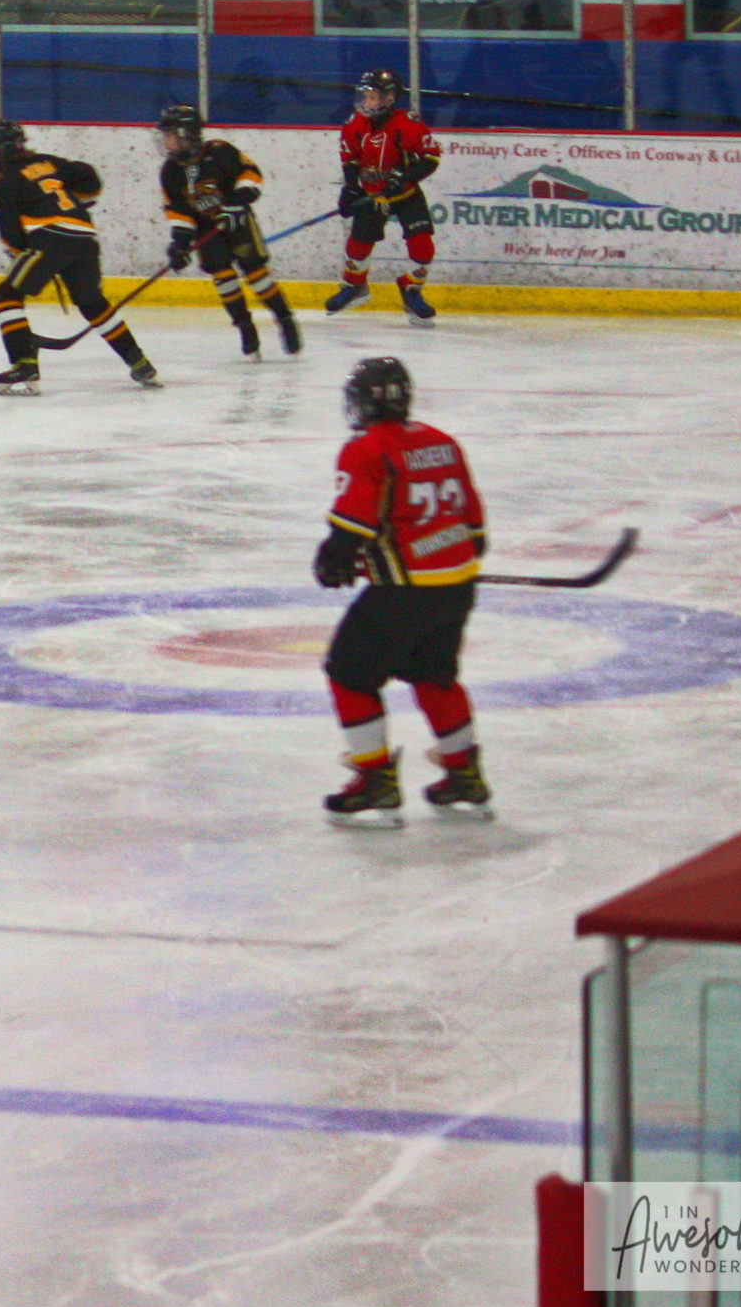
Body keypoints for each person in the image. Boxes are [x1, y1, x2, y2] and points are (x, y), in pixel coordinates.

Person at [315, 356, 493, 823]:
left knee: (349, 673)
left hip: (404, 593)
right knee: (434, 675)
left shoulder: (366, 448)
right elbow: (476, 530)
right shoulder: (442, 441)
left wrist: (336, 556)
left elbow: (353, 521)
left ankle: (375, 780)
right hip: (457, 587)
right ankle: (464, 773)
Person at [0, 121, 159, 395]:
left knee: (7, 294)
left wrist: (21, 252)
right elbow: (89, 177)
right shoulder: (48, 162)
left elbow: (11, 234)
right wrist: (79, 196)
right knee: (92, 302)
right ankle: (139, 362)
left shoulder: (1, 182)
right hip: (85, 237)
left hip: (49, 239)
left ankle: (24, 362)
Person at [156, 104, 300, 359]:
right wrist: (180, 244)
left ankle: (284, 318)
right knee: (223, 278)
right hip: (205, 231)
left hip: (238, 223)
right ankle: (245, 327)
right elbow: (178, 211)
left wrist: (239, 201)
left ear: (187, 134)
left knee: (256, 274)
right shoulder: (170, 171)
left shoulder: (219, 151)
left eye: (170, 135)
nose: (166, 142)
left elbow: (250, 174)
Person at [328, 68, 441, 324]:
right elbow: (350, 159)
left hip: (406, 195)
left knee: (423, 246)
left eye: (372, 97)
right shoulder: (354, 124)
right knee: (358, 244)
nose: (365, 102)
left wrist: (406, 176)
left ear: (389, 98)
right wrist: (350, 188)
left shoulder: (408, 124)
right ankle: (355, 285)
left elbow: (431, 158)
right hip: (373, 195)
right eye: (364, 96)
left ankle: (410, 288)